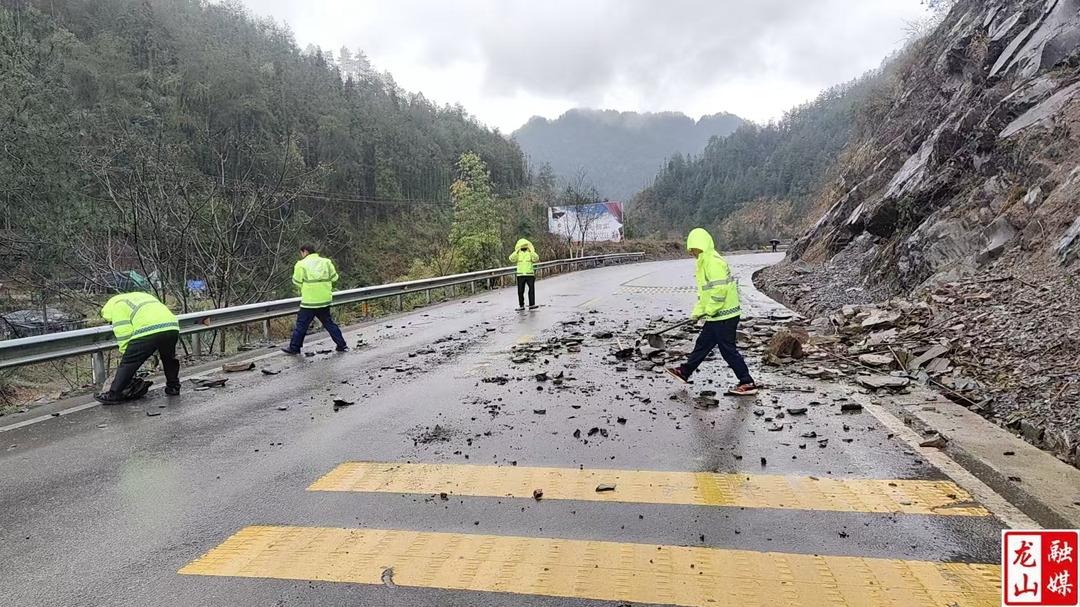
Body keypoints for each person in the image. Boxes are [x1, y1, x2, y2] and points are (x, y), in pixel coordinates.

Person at [666, 228, 758, 395]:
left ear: (700, 246)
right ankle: (684, 372)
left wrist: (709, 310)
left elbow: (719, 290)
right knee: (703, 344)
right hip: (717, 315)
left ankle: (747, 382)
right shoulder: (703, 262)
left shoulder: (713, 262)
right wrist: (697, 312)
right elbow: (705, 294)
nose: (691, 253)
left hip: (725, 315)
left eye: (692, 249)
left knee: (727, 350)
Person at [94, 292, 181, 404]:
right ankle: (173, 387)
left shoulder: (118, 306)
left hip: (147, 330)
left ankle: (114, 394)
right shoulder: (141, 297)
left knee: (128, 363)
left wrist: (128, 354)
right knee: (168, 358)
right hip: (171, 326)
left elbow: (124, 333)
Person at [282, 245, 348, 355]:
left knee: (301, 325)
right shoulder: (326, 262)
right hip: (324, 300)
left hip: (309, 302)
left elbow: (296, 282)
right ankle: (341, 344)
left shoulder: (301, 264)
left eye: (302, 253)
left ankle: (294, 348)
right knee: (329, 323)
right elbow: (335, 277)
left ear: (305, 252)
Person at [509, 238, 540, 311]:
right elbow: (511, 258)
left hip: (529, 274)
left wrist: (531, 251)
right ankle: (521, 305)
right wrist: (516, 251)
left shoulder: (530, 253)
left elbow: (536, 258)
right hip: (520, 275)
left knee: (531, 289)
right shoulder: (518, 254)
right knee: (520, 291)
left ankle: (532, 304)